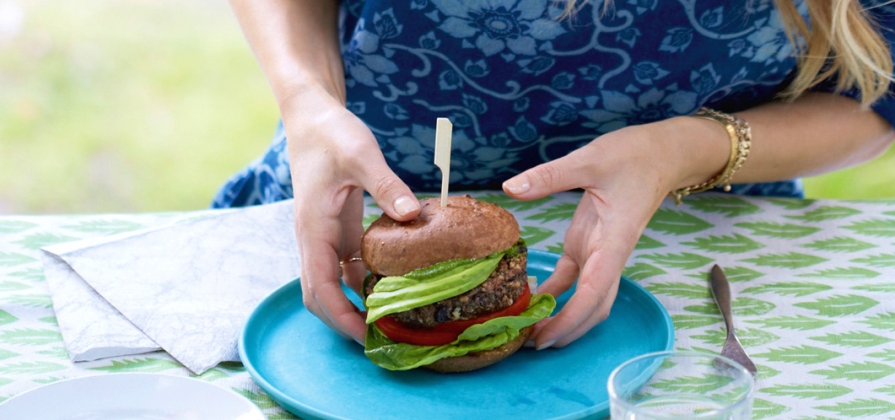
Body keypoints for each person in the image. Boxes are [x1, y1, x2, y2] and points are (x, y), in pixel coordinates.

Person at [214, 0, 895, 350]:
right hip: (336, 225)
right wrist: (307, 101)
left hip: (707, 255)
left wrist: (687, 150)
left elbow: (879, 93)